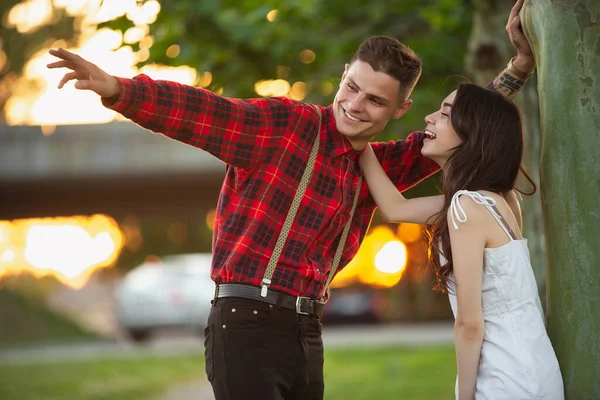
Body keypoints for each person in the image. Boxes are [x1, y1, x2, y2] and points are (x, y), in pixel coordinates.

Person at [46, 1, 534, 398]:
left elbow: (462, 129)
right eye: (351, 87)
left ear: (401, 108)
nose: (354, 105)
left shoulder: (376, 165)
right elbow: (201, 112)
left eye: (374, 101)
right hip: (244, 326)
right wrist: (116, 89)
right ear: (343, 74)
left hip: (308, 331)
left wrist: (517, 68)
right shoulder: (285, 127)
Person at [360, 83, 564, 399]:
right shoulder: (496, 199)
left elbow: (470, 324)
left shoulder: (467, 207)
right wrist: (358, 137)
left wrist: (464, 396)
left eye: (444, 114)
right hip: (532, 369)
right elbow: (395, 207)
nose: (428, 118)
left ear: (472, 133)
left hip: (506, 377)